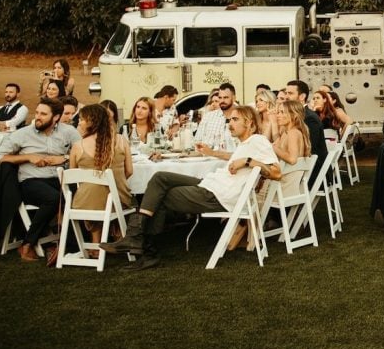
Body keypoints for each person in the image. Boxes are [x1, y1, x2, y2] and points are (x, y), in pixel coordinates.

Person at [100, 105, 281, 270]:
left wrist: (248, 161)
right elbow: (235, 156)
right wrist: (213, 153)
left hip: (217, 195)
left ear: (249, 123)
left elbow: (276, 172)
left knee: (160, 195)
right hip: (210, 185)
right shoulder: (246, 144)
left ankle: (144, 247)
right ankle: (137, 239)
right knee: (160, 177)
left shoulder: (258, 140)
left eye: (235, 120)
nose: (229, 124)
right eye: (229, 120)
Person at [0, 97, 81, 263]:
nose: (37, 117)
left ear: (56, 117)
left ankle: (71, 246)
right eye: (37, 112)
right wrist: (28, 157)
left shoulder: (69, 132)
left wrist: (65, 157)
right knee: (54, 198)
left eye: (43, 114)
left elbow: (82, 154)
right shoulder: (22, 134)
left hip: (61, 178)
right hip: (31, 181)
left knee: (78, 196)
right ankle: (28, 243)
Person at [69, 104, 133, 246]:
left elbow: (73, 176)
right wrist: (112, 183)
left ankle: (95, 243)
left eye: (81, 119)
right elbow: (129, 171)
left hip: (86, 203)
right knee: (108, 195)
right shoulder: (122, 140)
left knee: (92, 194)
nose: (78, 122)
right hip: (118, 199)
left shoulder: (77, 146)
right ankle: (117, 236)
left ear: (92, 121)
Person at [285, 80, 327, 183]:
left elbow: (309, 148)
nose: (286, 96)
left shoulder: (310, 118)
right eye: (286, 93)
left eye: (290, 93)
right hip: (299, 165)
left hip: (311, 171)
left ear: (302, 96)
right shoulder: (293, 116)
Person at [195, 83, 236, 151]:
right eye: (220, 98)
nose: (222, 101)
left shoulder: (242, 117)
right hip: (208, 159)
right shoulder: (208, 117)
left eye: (225, 97)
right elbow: (197, 141)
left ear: (234, 98)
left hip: (233, 160)